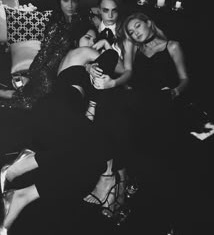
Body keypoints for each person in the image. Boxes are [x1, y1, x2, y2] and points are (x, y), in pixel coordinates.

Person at [0, 24, 125, 235]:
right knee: (95, 150)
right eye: (87, 36)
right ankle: (18, 176)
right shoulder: (80, 53)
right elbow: (122, 68)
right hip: (60, 106)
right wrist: (109, 47)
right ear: (77, 42)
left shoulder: (77, 64)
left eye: (94, 39)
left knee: (79, 157)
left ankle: (21, 195)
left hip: (53, 112)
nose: (91, 43)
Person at [0, 0, 82, 110]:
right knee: (23, 104)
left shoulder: (80, 23)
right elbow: (44, 51)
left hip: (60, 75)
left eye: (74, 0)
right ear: (59, 0)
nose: (70, 5)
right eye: (65, 0)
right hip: (44, 73)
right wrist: (28, 75)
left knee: (24, 104)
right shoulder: (55, 21)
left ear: (78, 1)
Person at [121, 12, 189, 157]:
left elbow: (185, 79)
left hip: (164, 104)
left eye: (138, 26)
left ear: (149, 23)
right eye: (131, 32)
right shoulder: (136, 51)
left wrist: (175, 92)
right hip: (141, 106)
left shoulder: (172, 46)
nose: (136, 33)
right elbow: (128, 76)